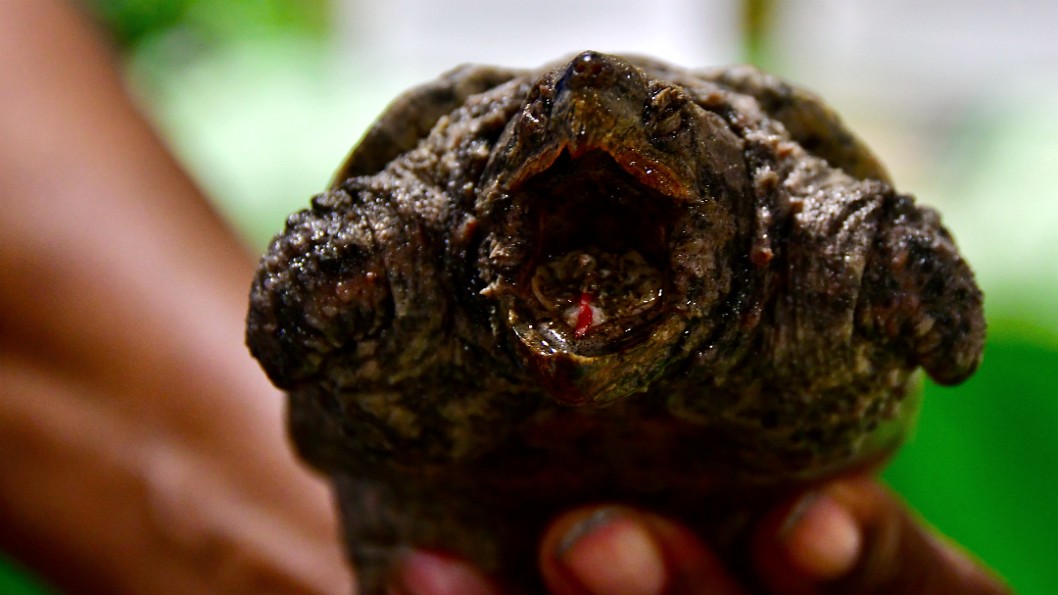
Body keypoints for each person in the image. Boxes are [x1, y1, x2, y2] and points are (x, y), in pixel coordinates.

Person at [0, 1, 1011, 593]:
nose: (581, 109)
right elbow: (288, 319)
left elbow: (934, 310)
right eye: (540, 125)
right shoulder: (413, 226)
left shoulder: (801, 227)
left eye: (655, 124)